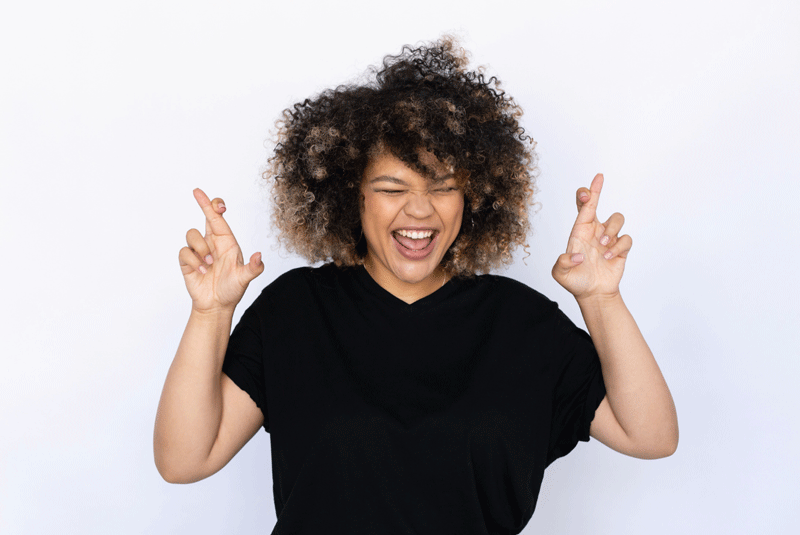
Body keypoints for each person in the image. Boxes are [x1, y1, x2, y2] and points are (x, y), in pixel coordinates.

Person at [154, 37, 678, 534]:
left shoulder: (521, 324)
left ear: (471, 197)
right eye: (391, 187)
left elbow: (651, 436)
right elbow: (183, 460)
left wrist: (600, 298)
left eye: (443, 187)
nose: (420, 210)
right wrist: (210, 313)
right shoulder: (294, 312)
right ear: (351, 195)